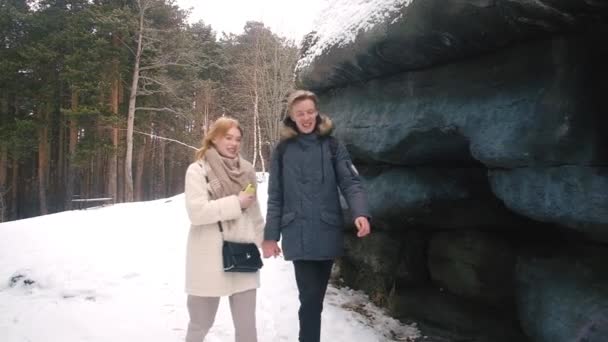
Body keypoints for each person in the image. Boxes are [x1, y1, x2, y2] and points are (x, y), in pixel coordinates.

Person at [262, 90, 371, 342]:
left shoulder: (333, 145)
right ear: (292, 117)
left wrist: (360, 212)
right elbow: (275, 196)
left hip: (326, 229)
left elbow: (351, 183)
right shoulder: (282, 150)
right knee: (309, 299)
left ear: (317, 112)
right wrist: (270, 236)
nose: (306, 117)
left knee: (315, 300)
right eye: (300, 113)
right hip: (297, 233)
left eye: (310, 112)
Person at [184, 117, 264, 342]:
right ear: (214, 138)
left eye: (237, 139)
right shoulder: (198, 170)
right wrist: (236, 203)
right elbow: (197, 213)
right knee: (199, 325)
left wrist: (265, 240)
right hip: (208, 259)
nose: (233, 143)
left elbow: (254, 211)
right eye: (228, 137)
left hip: (242, 254)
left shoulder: (247, 171)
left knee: (247, 329)